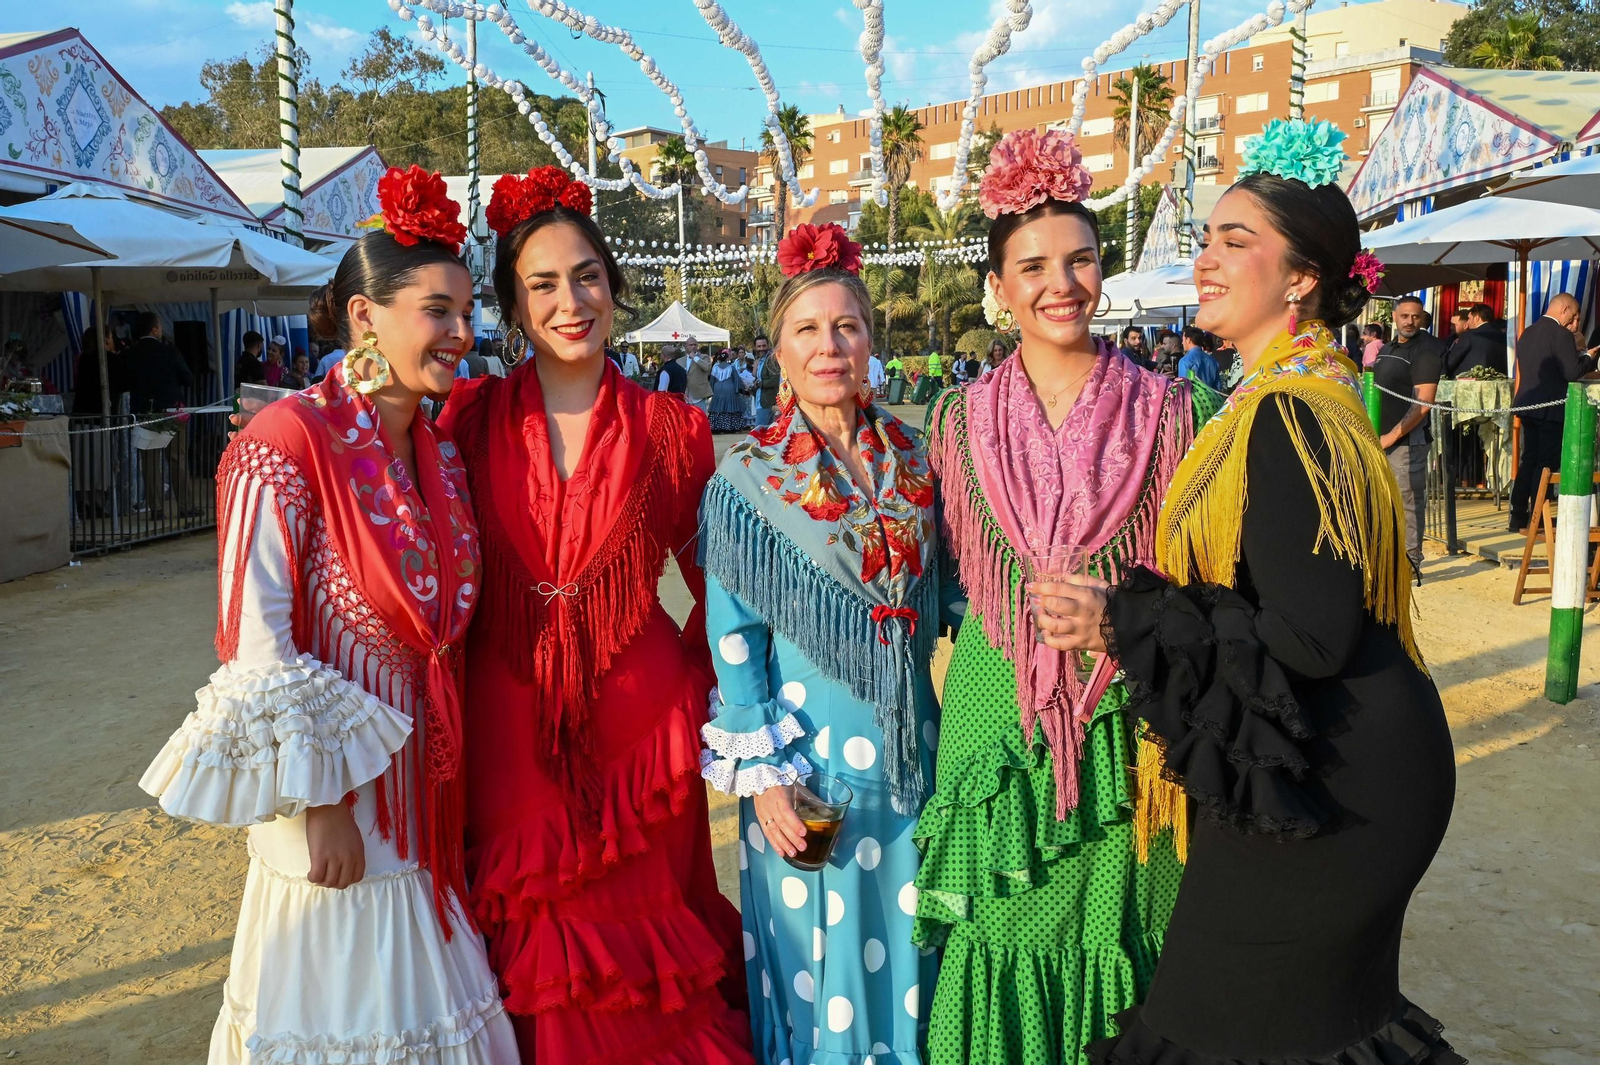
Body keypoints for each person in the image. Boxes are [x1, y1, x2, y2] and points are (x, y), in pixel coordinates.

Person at [1035, 120, 1461, 1065]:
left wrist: (1125, 618)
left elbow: (1310, 637)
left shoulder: (1287, 414)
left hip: (1335, 784)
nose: (1207, 260)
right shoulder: (1297, 392)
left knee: (1214, 1027)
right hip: (1328, 761)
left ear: (1302, 278)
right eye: (1209, 238)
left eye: (1238, 241)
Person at [139, 165, 518, 1064]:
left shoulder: (438, 452)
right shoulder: (285, 445)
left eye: (468, 311)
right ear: (364, 317)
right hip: (338, 811)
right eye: (437, 310)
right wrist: (322, 802)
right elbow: (256, 642)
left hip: (428, 800)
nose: (463, 334)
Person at [914, 127, 1219, 1065]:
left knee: (1127, 937)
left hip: (1128, 718)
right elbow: (931, 575)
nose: (1062, 284)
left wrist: (1125, 625)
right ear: (999, 289)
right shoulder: (957, 421)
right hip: (994, 722)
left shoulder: (1174, 410)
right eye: (1034, 266)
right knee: (1000, 940)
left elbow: (1209, 586)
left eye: (1081, 260)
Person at [437, 165, 751, 1065]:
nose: (571, 301)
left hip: (639, 738)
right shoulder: (465, 418)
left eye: (587, 276)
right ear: (510, 303)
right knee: (531, 953)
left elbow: (715, 579)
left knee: (647, 953)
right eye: (542, 284)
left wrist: (690, 688)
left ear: (613, 285)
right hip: (508, 732)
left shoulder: (672, 427)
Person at [699, 222, 939, 1065]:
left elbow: (947, 601)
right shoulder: (748, 478)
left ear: (872, 341)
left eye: (847, 326)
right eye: (808, 329)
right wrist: (764, 781)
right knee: (822, 961)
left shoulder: (915, 460)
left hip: (915, 763)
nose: (830, 345)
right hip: (805, 775)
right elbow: (735, 646)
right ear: (778, 352)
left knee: (911, 951)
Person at [1509, 292, 1600, 531]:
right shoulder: (1560, 334)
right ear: (1565, 309)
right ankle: (1538, 517)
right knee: (1545, 463)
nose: (1576, 321)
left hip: (1528, 404)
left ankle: (1518, 514)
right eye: (1575, 314)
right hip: (1550, 407)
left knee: (1528, 460)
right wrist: (1589, 357)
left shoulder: (1527, 332)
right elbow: (1572, 372)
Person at [1372, 295, 1444, 576]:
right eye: (1405, 316)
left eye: (1415, 316)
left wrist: (1391, 436)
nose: (1410, 321)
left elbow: (1423, 404)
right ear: (1395, 317)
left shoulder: (1424, 352)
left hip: (1406, 443)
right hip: (1378, 438)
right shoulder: (1387, 348)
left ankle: (1410, 563)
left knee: (1408, 503)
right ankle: (1389, 559)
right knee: (1383, 500)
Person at [125, 311, 198, 517]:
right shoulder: (170, 352)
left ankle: (156, 508)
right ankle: (186, 506)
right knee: (177, 458)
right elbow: (188, 378)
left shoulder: (130, 354)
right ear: (154, 329)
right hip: (171, 410)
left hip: (143, 412)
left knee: (150, 460)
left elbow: (124, 381)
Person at [1446, 303, 1503, 378]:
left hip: (1470, 383)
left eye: (1469, 318)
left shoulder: (1469, 335)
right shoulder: (1502, 336)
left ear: (1477, 318)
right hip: (1496, 382)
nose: (1468, 322)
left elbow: (1451, 361)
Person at [709, 346, 749, 432]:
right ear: (727, 358)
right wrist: (741, 389)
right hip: (730, 389)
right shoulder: (731, 367)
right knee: (731, 407)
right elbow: (737, 380)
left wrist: (712, 390)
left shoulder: (715, 368)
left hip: (718, 389)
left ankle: (717, 427)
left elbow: (712, 381)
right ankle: (731, 427)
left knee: (717, 408)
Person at [1175, 325, 1220, 390]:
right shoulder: (1212, 360)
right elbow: (1218, 386)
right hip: (1211, 398)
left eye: (1183, 340)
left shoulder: (1185, 361)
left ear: (1188, 340)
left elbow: (1183, 387)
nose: (1182, 343)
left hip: (1192, 398)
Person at [684, 335, 715, 413]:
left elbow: (707, 368)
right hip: (685, 395)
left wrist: (695, 357)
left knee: (700, 419)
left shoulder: (704, 357)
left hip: (699, 395)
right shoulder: (680, 360)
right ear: (686, 346)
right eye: (691, 345)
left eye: (695, 345)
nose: (693, 346)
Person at [756, 334, 782, 425]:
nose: (761, 348)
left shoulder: (771, 360)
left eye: (764, 346)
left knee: (759, 431)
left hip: (768, 402)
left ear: (768, 346)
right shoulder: (760, 360)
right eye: (759, 346)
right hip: (761, 400)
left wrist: (761, 383)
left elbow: (775, 379)